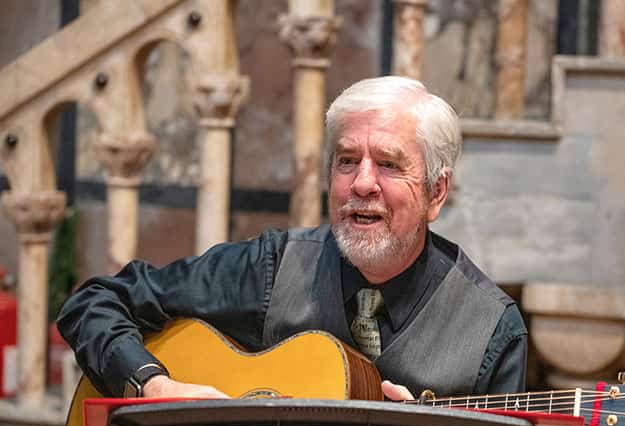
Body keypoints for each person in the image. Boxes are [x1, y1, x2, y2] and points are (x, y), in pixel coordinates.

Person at [57, 76, 527, 402]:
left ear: (436, 192)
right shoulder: (273, 268)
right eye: (346, 161)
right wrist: (150, 384)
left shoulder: (491, 330)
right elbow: (96, 301)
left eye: (387, 164)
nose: (362, 183)